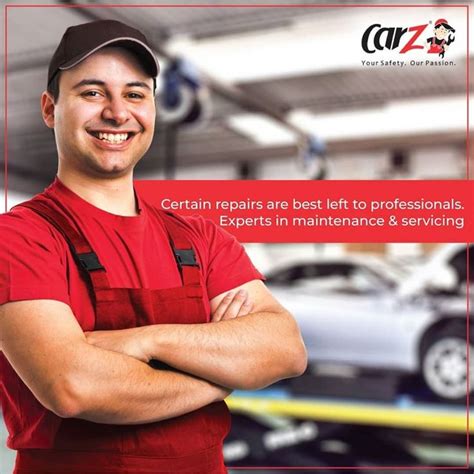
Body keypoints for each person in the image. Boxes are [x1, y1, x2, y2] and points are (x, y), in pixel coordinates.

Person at [0, 19, 307, 474]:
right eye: (92, 92)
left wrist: (145, 340)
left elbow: (285, 349)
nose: (117, 112)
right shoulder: (21, 237)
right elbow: (73, 385)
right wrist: (221, 375)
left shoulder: (200, 237)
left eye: (135, 94)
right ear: (50, 108)